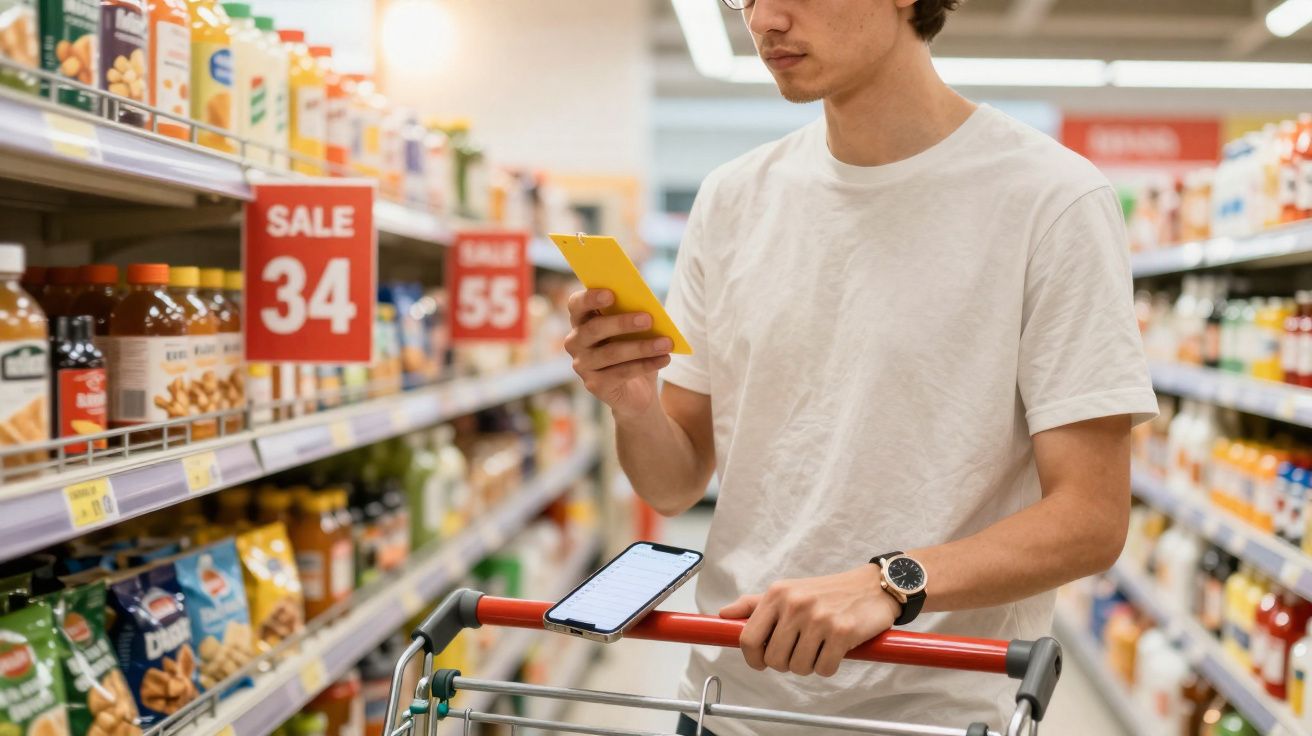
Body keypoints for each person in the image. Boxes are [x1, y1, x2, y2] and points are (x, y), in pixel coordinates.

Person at [563, 0, 1157, 733]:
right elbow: (672, 482)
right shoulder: (733, 198)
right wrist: (634, 406)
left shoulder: (1052, 199)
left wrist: (893, 582)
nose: (763, 19)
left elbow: (1090, 518)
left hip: (932, 713)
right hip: (725, 700)